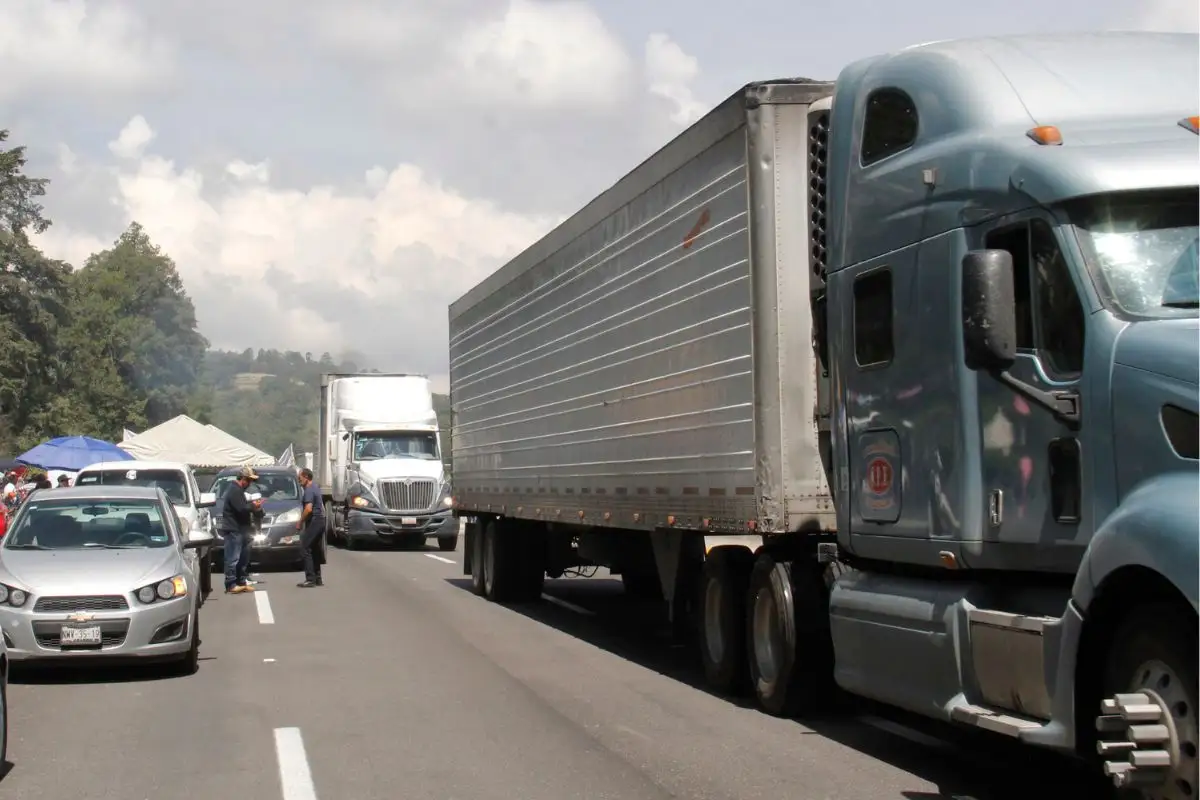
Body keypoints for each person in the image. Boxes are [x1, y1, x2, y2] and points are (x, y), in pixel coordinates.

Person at [217, 466, 264, 594]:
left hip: (242, 529)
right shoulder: (234, 490)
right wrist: (253, 506)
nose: (249, 484)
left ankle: (241, 581)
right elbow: (241, 508)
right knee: (233, 558)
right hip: (234, 529)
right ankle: (231, 584)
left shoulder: (239, 490)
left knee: (243, 558)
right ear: (243, 478)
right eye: (248, 480)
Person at [296, 468, 326, 588]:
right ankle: (318, 578)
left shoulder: (309, 490)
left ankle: (310, 579)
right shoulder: (315, 487)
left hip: (315, 521)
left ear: (306, 477)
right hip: (321, 520)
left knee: (305, 548)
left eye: (300, 478)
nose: (299, 480)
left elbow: (308, 509)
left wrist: (300, 521)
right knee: (314, 549)